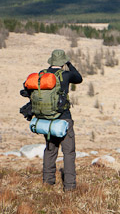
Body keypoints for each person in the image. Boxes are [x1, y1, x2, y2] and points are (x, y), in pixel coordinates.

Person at [21, 49, 82, 192]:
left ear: (51, 61)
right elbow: (79, 78)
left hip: (46, 120)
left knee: (50, 150)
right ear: (62, 62)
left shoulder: (41, 75)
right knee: (69, 152)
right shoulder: (66, 75)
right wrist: (69, 64)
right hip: (64, 120)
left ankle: (47, 183)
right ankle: (70, 187)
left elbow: (26, 88)